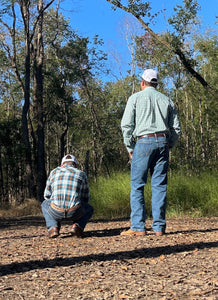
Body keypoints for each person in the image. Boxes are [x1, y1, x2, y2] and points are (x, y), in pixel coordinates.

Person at [120, 69, 181, 236]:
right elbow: (176, 128)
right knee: (160, 185)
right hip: (162, 141)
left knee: (138, 185)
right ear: (157, 83)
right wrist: (169, 145)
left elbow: (126, 126)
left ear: (142, 83)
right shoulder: (167, 99)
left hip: (143, 141)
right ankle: (159, 227)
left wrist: (129, 148)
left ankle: (138, 227)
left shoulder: (135, 98)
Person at [41, 154, 93, 238]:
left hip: (56, 211)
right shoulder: (81, 174)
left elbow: (47, 195)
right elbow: (85, 197)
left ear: (62, 164)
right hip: (75, 212)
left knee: (44, 204)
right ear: (75, 165)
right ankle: (77, 226)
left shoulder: (54, 172)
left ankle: (53, 228)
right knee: (89, 208)